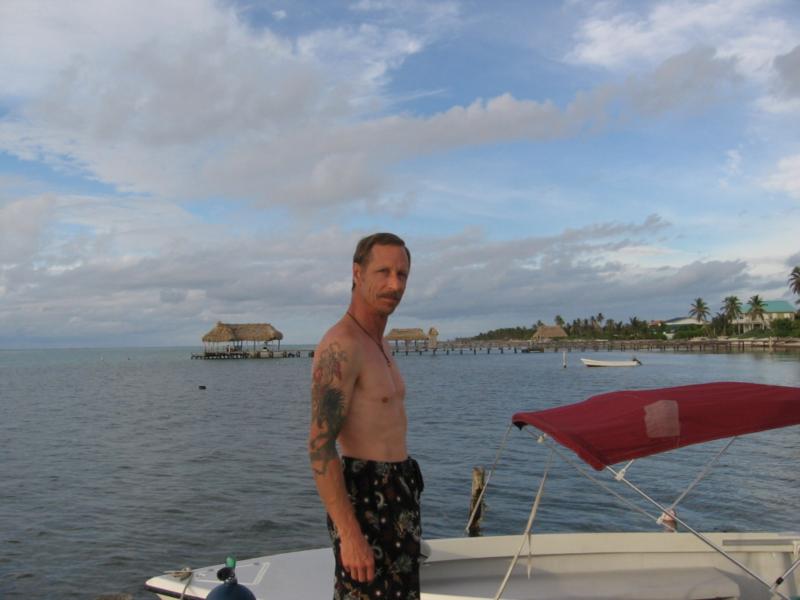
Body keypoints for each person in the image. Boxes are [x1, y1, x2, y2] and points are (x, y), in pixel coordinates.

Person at [309, 232, 424, 600]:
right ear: (357, 273)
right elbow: (320, 446)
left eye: (402, 274)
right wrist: (350, 534)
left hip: (399, 491)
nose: (395, 284)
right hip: (366, 498)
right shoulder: (341, 345)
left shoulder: (380, 342)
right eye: (384, 272)